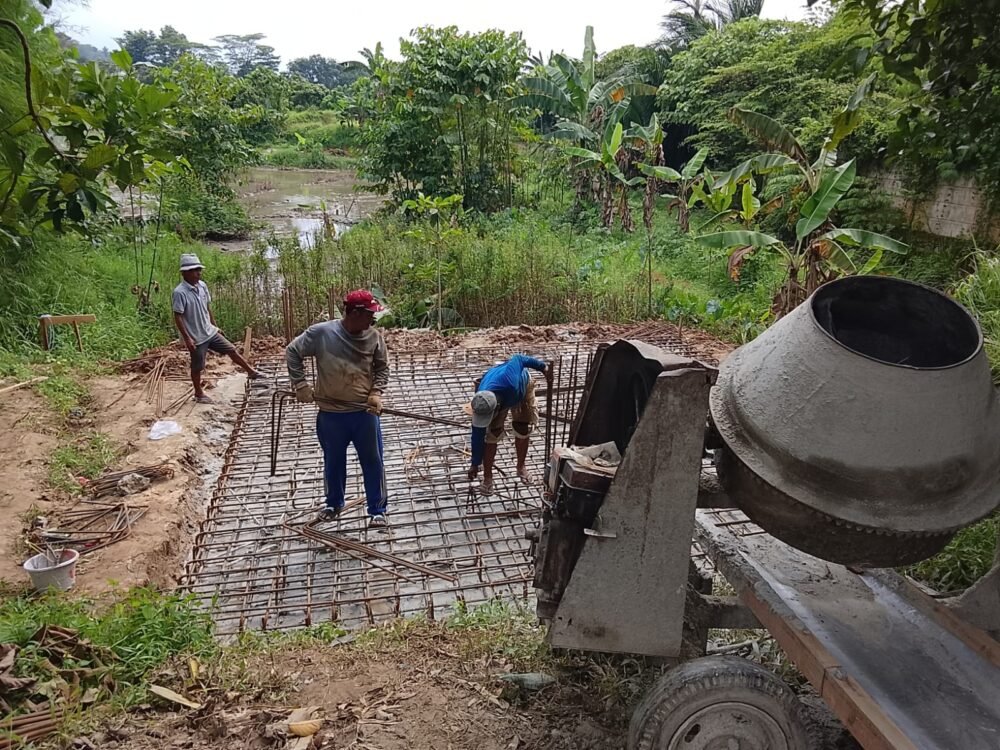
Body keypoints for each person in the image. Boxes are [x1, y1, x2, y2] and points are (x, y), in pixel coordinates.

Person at [286, 290, 390, 527]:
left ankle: (377, 510)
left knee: (373, 461)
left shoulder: (374, 337)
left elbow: (382, 368)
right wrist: (300, 384)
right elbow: (293, 351)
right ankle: (333, 504)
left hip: (363, 413)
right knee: (333, 461)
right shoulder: (322, 333)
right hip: (332, 414)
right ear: (354, 313)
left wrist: (376, 392)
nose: (372, 320)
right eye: (369, 315)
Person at [172, 253, 261, 404]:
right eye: (194, 270)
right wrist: (187, 338)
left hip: (209, 331)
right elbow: (178, 316)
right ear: (185, 273)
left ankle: (251, 372)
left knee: (231, 349)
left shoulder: (202, 286)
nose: (198, 273)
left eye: (199, 270)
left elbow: (207, 307)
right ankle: (198, 393)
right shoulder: (179, 293)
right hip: (196, 337)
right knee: (197, 366)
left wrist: (214, 325)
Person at [466, 354, 548, 495]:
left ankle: (521, 467)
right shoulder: (481, 402)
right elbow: (477, 437)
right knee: (492, 434)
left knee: (522, 427)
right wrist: (474, 463)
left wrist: (543, 368)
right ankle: (487, 478)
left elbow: (518, 358)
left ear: (497, 407)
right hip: (498, 386)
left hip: (522, 386)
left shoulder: (511, 381)